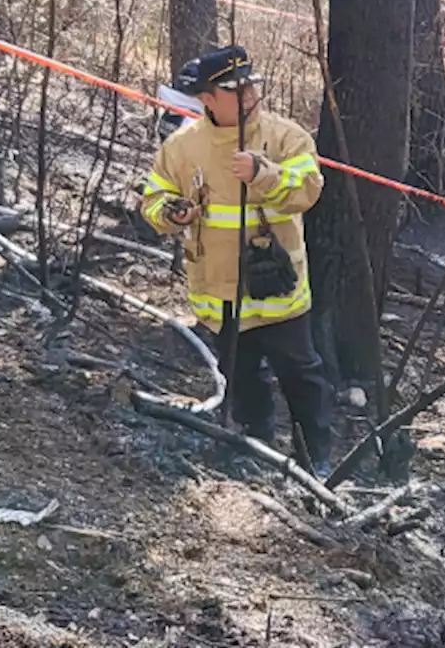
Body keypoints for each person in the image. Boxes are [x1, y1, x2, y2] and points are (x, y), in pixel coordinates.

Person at [139, 45, 335, 473]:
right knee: (240, 375)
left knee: (301, 375)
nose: (248, 96)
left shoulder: (285, 137)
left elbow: (309, 191)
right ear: (206, 99)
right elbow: (151, 202)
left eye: (251, 86)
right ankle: (252, 445)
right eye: (234, 90)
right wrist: (173, 212)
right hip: (217, 290)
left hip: (275, 291)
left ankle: (316, 457)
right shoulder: (181, 147)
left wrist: (264, 174)